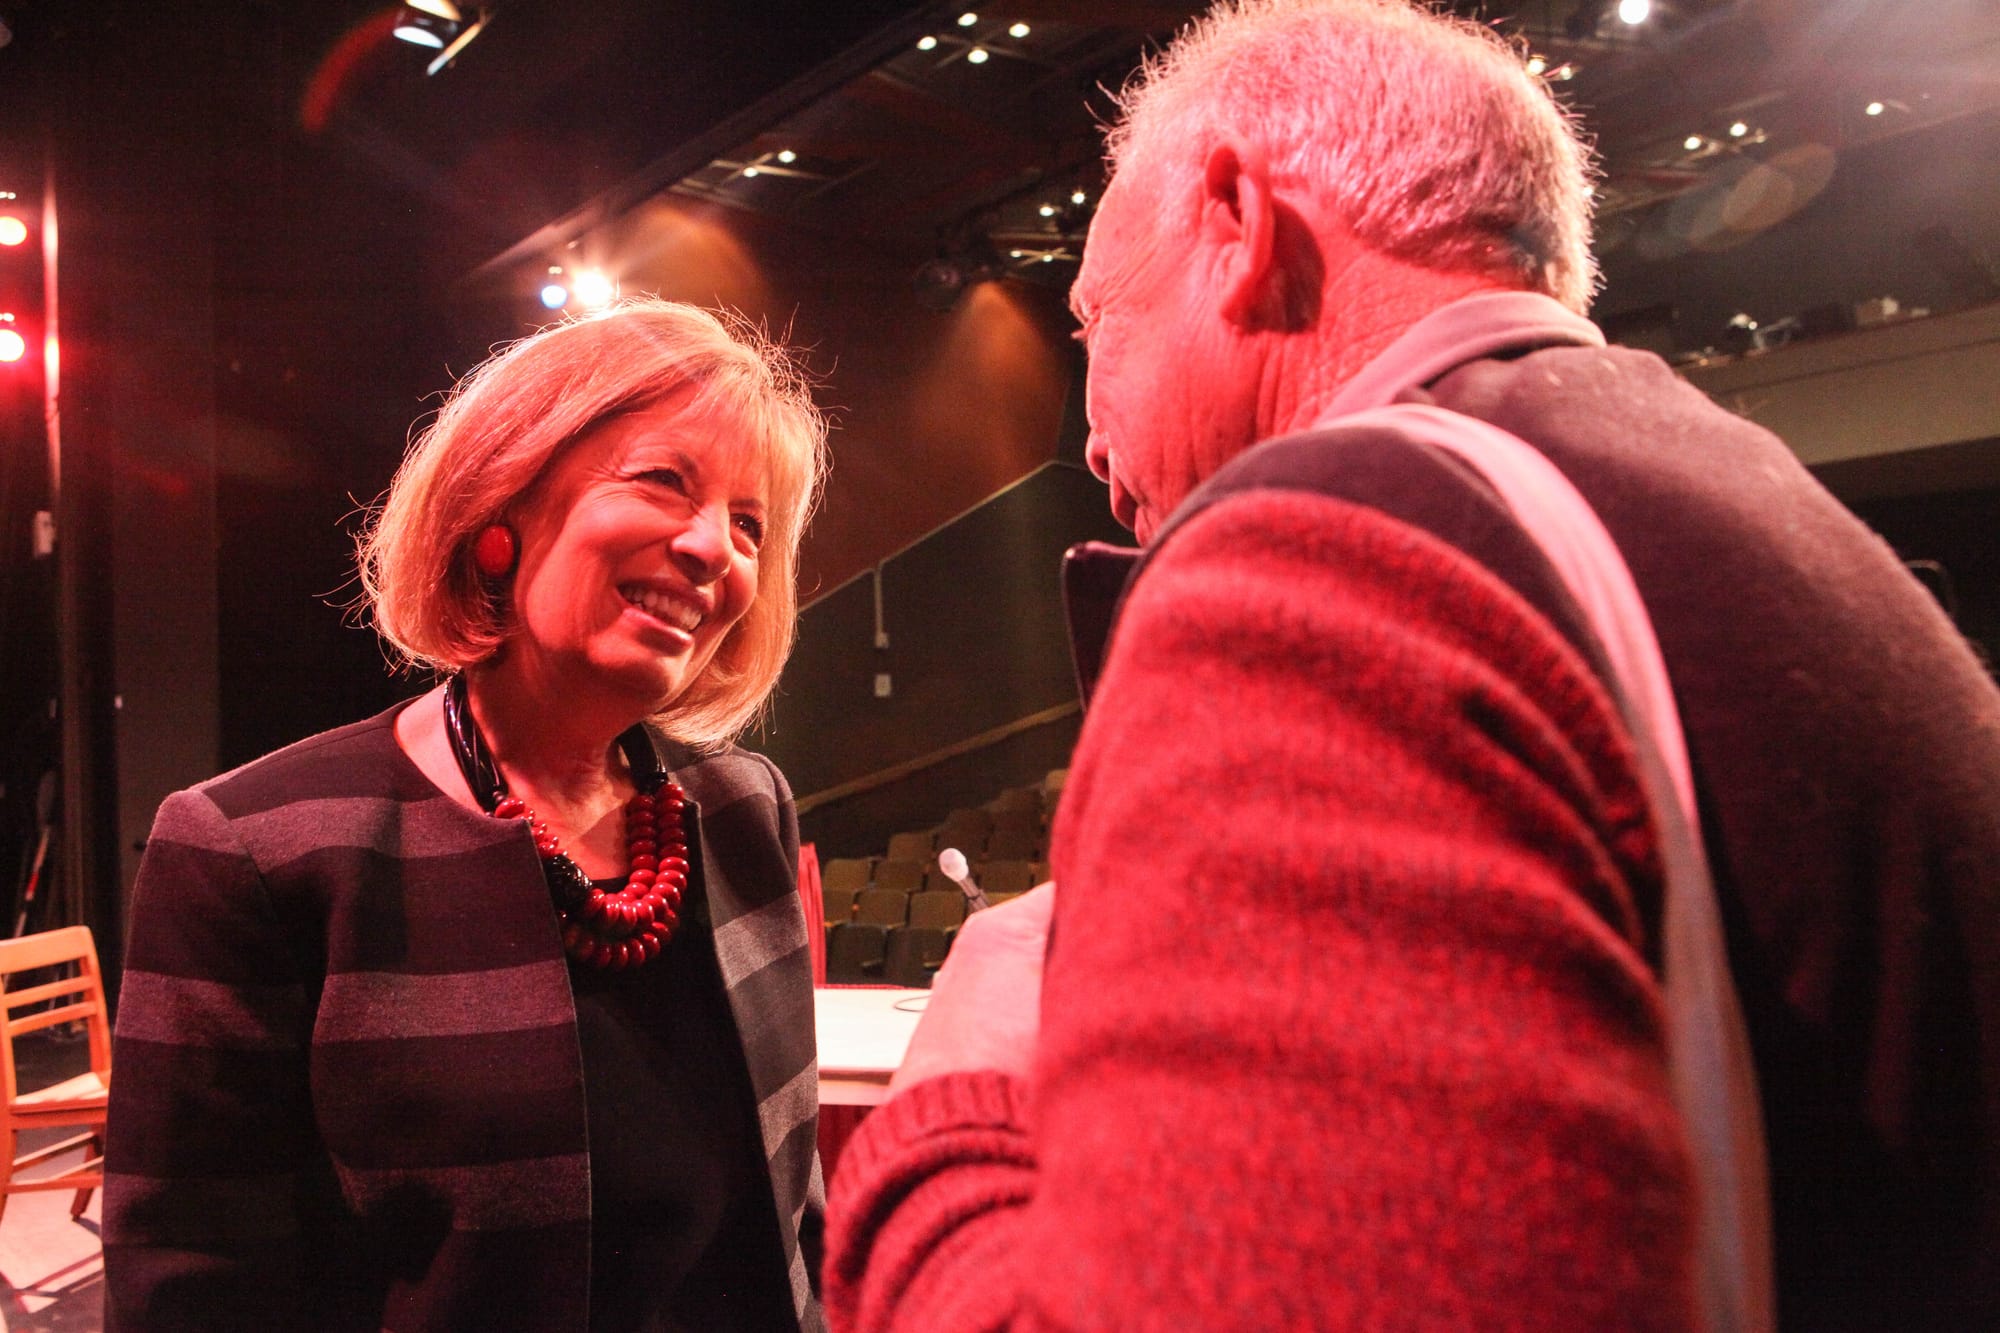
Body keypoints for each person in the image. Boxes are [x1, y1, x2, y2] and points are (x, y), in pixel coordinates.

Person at [824, 2, 2000, 1329]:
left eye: (1096, 323)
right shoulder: (1752, 501)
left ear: (1237, 221)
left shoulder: (1328, 551)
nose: (1090, 441)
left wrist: (959, 1083)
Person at [104, 300, 831, 1331]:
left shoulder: (744, 808)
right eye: (664, 480)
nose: (715, 547)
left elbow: (791, 1220)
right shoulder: (258, 851)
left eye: (750, 523)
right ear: (501, 510)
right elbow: (191, 1293)